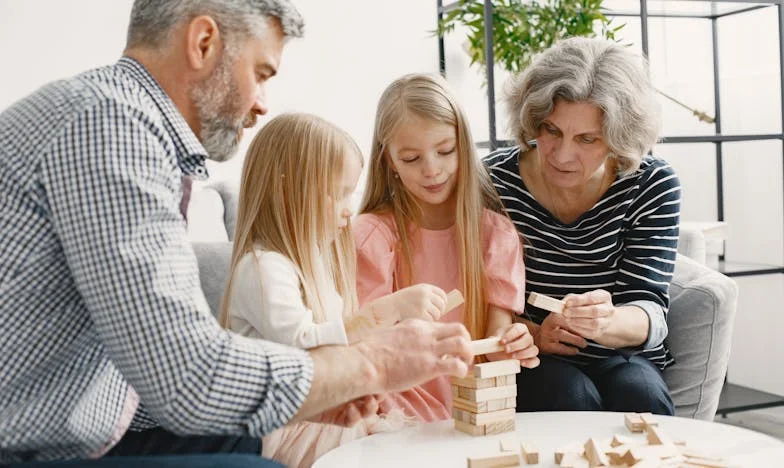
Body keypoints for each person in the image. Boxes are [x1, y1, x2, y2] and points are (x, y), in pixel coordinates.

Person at [0, 2, 473, 466]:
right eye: (262, 73)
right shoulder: (111, 129)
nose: (262, 103)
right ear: (203, 42)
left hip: (94, 430)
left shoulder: (116, 120)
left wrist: (308, 393)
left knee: (267, 443)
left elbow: (148, 370)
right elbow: (185, 377)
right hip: (28, 449)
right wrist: (369, 365)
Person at [220, 112, 432, 467]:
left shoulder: (311, 262)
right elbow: (306, 348)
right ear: (289, 193)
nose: (350, 212)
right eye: (339, 195)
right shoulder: (262, 268)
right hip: (287, 428)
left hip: (320, 416)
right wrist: (386, 312)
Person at [485, 37, 681, 415]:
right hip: (536, 356)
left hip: (622, 353)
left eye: (587, 139)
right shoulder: (494, 181)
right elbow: (485, 305)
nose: (561, 155)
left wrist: (605, 321)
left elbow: (651, 316)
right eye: (551, 131)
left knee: (640, 394)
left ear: (618, 139)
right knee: (568, 393)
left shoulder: (650, 184)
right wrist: (537, 334)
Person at [353, 73, 541, 422]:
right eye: (411, 158)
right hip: (392, 416)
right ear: (389, 161)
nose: (431, 170)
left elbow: (495, 340)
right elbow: (365, 345)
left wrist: (513, 344)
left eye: (445, 151)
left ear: (464, 147)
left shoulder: (495, 235)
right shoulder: (371, 236)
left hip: (471, 412)